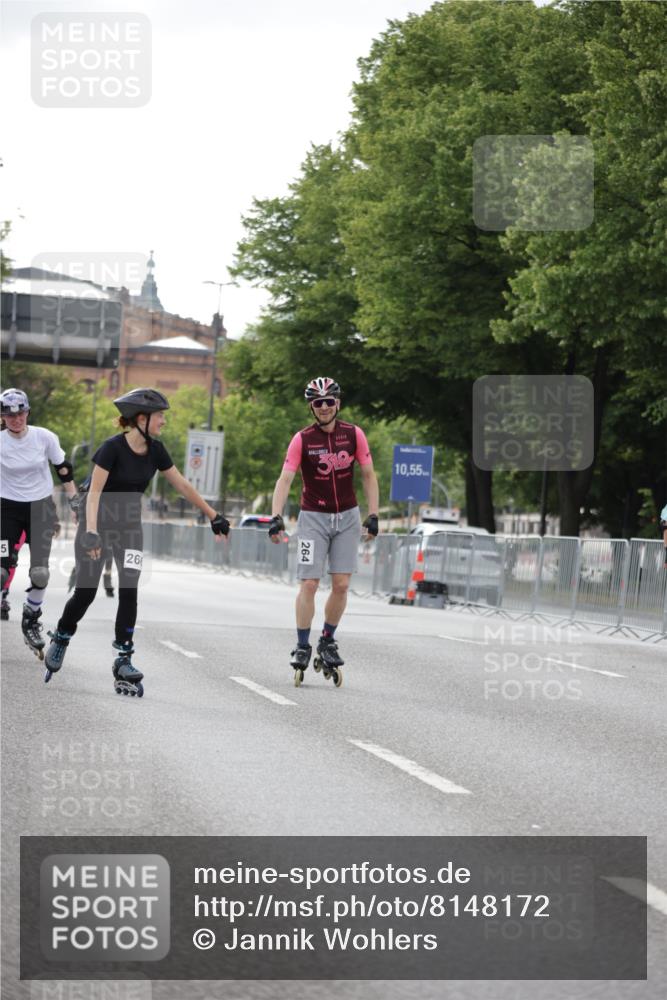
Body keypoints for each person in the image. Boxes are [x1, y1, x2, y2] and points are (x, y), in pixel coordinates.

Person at [44, 388, 230, 695]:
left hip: (130, 529)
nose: (163, 422)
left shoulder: (157, 451)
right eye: (160, 417)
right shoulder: (112, 448)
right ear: (141, 419)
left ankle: (123, 657)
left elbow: (181, 483)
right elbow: (93, 494)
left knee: (129, 589)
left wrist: (213, 514)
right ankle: (62, 635)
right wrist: (90, 532)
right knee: (86, 592)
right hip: (98, 525)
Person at [268, 377, 379, 686]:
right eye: (319, 403)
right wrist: (276, 517)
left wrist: (373, 515)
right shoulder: (302, 439)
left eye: (330, 401)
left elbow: (369, 475)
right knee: (309, 584)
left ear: (338, 403)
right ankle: (302, 644)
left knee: (342, 584)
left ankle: (327, 639)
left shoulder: (354, 435)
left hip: (347, 517)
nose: (325, 407)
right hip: (313, 518)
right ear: (312, 407)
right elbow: (285, 480)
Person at [0, 388, 77, 656]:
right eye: (9, 416)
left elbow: (64, 471)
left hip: (40, 508)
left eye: (20, 413)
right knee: (0, 572)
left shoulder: (44, 437)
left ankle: (31, 618)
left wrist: (76, 504)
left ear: (27, 412)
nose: (15, 419)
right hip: (6, 508)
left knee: (40, 573)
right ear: (2, 417)